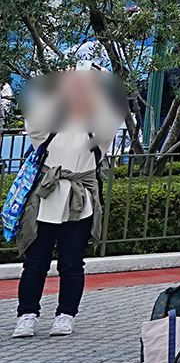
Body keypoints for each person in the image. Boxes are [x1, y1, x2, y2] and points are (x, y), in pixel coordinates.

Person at [12, 70, 119, 338]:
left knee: (71, 263)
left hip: (79, 201)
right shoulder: (52, 119)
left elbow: (110, 124)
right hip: (46, 199)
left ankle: (66, 314)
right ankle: (27, 314)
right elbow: (34, 124)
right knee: (35, 262)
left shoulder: (97, 127)